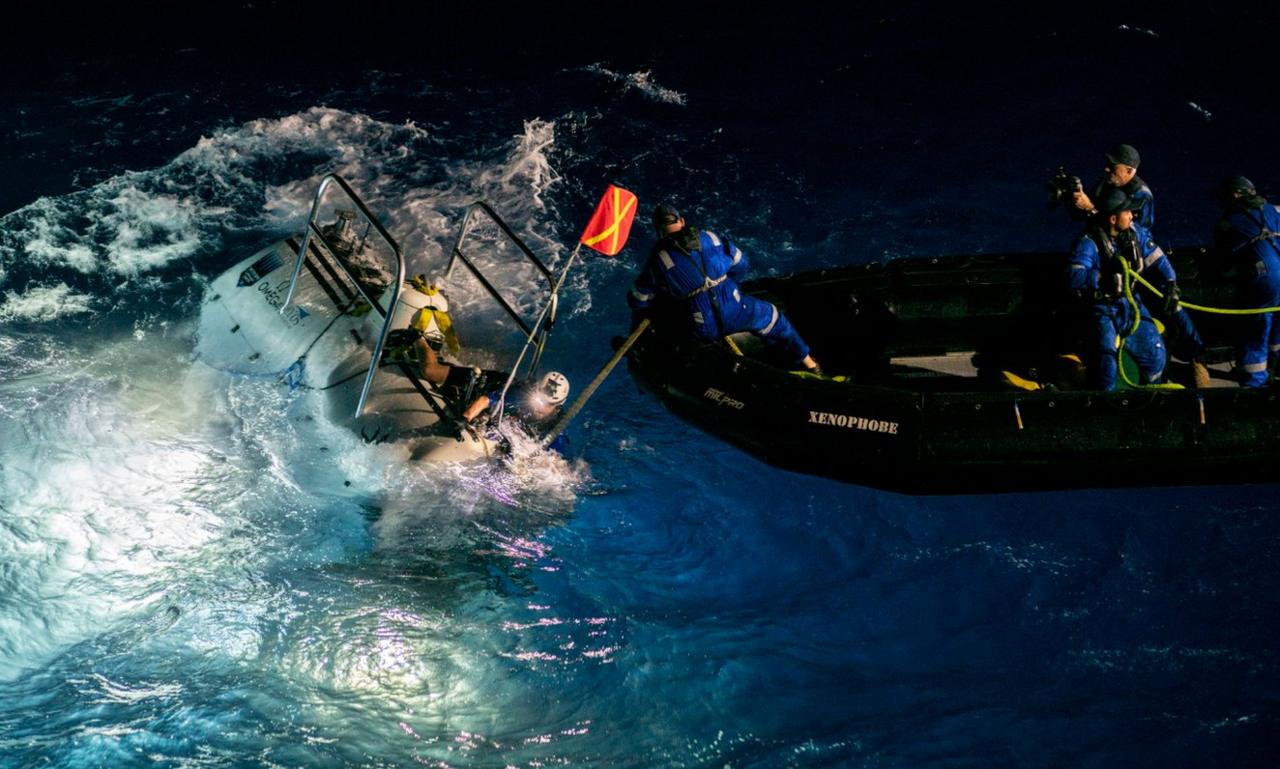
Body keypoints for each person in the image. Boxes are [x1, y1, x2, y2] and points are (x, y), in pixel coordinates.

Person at [628, 203, 822, 374]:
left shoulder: (657, 260)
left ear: (658, 231)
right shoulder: (711, 238)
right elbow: (742, 264)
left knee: (672, 332)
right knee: (773, 317)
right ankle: (810, 365)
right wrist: (729, 287)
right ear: (682, 220)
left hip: (703, 328)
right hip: (737, 310)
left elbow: (639, 299)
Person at [1069, 187, 1184, 390]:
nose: (1132, 215)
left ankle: (1152, 393)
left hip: (1130, 304)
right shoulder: (1088, 244)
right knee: (1107, 360)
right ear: (1113, 219)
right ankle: (1107, 403)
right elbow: (1075, 277)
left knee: (1155, 351)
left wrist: (1171, 283)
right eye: (1127, 212)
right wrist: (1102, 278)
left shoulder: (1135, 234)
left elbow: (1158, 259)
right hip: (1103, 308)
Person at [1213, 175, 1280, 387]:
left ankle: (1254, 383)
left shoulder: (1228, 222)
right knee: (1278, 322)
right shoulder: (1273, 209)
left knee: (1253, 325)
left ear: (1233, 195)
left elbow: (1223, 263)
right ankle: (1277, 369)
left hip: (1265, 278)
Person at [462, 371, 571, 452]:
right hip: (497, 384)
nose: (541, 407)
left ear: (558, 406)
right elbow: (486, 400)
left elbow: (554, 464)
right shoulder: (522, 395)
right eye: (540, 400)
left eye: (549, 404)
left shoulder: (557, 432)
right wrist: (466, 417)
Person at [1073, 143, 1156, 230]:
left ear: (1129, 171)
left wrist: (1090, 209)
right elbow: (1080, 215)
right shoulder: (1106, 182)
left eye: (1113, 166)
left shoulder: (1142, 195)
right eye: (1107, 163)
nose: (1106, 169)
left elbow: (1131, 235)